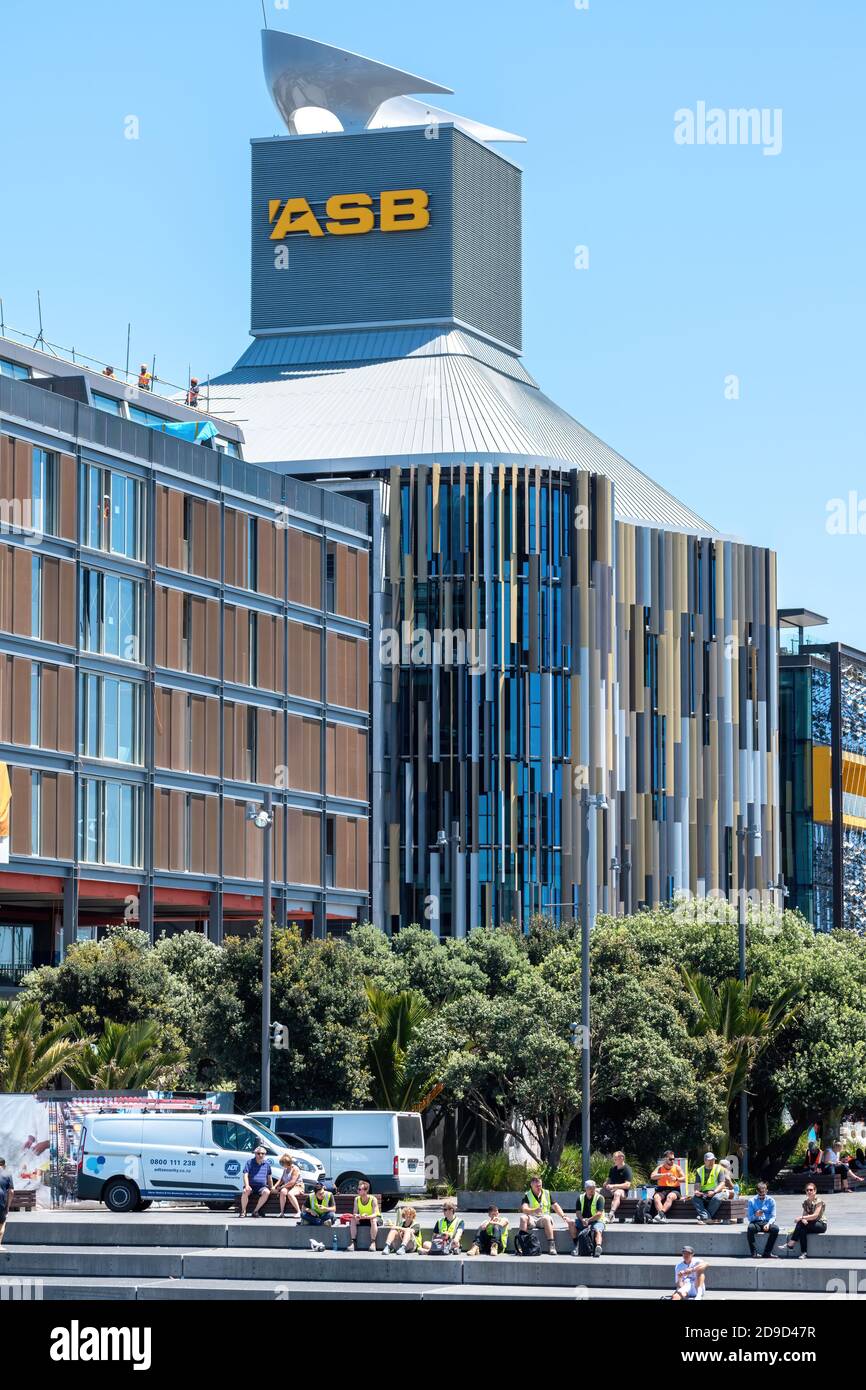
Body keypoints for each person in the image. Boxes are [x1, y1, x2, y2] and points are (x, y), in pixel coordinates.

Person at [519, 1174, 567, 1256]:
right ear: (531, 1185)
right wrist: (534, 1210)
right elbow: (524, 1209)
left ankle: (551, 1246)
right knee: (523, 1218)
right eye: (536, 1186)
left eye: (540, 1185)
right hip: (532, 1218)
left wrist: (563, 1216)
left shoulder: (547, 1193)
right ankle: (521, 1246)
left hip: (544, 1219)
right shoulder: (527, 1195)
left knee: (547, 1218)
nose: (539, 1187)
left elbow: (555, 1206)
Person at [786, 1183, 827, 1259]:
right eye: (807, 1190)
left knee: (800, 1223)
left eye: (811, 1190)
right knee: (802, 1229)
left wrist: (802, 1218)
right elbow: (805, 1215)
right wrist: (803, 1219)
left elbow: (815, 1215)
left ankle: (792, 1242)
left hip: (820, 1224)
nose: (809, 1191)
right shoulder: (805, 1202)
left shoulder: (819, 1201)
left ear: (815, 1191)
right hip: (811, 1224)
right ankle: (804, 1253)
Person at [568, 1178, 606, 1257]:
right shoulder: (580, 1198)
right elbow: (578, 1212)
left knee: (597, 1230)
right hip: (584, 1220)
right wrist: (582, 1220)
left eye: (594, 1188)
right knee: (571, 1222)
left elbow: (599, 1214)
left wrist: (588, 1220)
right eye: (590, 1188)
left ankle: (598, 1247)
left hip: (597, 1220)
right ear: (585, 1189)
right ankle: (576, 1245)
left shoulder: (599, 1198)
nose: (592, 1190)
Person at [691, 1152, 728, 1223]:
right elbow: (697, 1184)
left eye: (713, 1160)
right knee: (695, 1198)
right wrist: (697, 1191)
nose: (712, 1162)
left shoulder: (719, 1168)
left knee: (716, 1198)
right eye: (710, 1160)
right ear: (705, 1161)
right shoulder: (700, 1170)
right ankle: (707, 1218)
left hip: (718, 1191)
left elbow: (722, 1183)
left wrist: (714, 1192)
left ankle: (704, 1218)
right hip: (705, 1193)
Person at [650, 1149, 686, 1221]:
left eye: (673, 1159)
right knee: (656, 1197)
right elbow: (652, 1176)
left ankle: (661, 1214)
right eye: (670, 1159)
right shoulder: (660, 1167)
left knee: (670, 1196)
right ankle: (662, 1218)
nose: (672, 1161)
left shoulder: (677, 1167)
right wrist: (664, 1175)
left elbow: (684, 1178)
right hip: (662, 1189)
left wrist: (676, 1179)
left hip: (675, 1189)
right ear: (665, 1159)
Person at [746, 1182, 779, 1258]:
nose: (762, 1197)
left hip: (766, 1222)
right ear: (757, 1192)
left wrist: (768, 1224)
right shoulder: (751, 1201)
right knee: (750, 1228)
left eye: (763, 1195)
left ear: (766, 1191)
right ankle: (754, 1252)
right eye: (760, 1195)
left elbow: (773, 1216)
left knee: (775, 1229)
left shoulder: (771, 1201)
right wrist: (755, 1215)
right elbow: (749, 1218)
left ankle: (767, 1252)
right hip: (756, 1222)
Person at [239, 1144, 274, 1217]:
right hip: (251, 1185)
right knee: (246, 1191)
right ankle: (243, 1211)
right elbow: (245, 1174)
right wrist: (247, 1185)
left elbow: (269, 1177)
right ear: (255, 1154)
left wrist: (271, 1187)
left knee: (267, 1192)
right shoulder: (249, 1162)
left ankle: (255, 1211)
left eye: (263, 1153)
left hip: (261, 1187)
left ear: (265, 1155)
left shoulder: (267, 1164)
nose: (260, 1155)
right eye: (258, 1153)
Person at [348, 1180, 380, 1252]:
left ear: (366, 1191)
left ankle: (373, 1242)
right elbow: (355, 1212)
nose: (358, 1191)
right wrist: (357, 1216)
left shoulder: (373, 1199)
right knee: (353, 1219)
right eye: (358, 1189)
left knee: (373, 1219)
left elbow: (375, 1214)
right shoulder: (357, 1199)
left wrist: (367, 1216)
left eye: (359, 1189)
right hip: (363, 1218)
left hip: (374, 1218)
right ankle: (353, 1242)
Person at [603, 1151, 632, 1222]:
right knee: (594, 1191)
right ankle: (593, 1213)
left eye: (615, 1159)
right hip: (610, 1190)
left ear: (621, 1158)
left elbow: (627, 1185)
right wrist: (606, 1184)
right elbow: (608, 1180)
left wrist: (613, 1186)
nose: (614, 1160)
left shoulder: (627, 1169)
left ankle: (611, 1215)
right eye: (614, 1158)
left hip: (622, 1192)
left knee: (617, 1193)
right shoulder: (612, 1169)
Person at [274, 1152, 304, 1219]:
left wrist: (281, 1187)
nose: (282, 1165)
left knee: (290, 1194)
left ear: (287, 1163)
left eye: (283, 1163)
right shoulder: (285, 1169)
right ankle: (282, 1212)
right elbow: (281, 1180)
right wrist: (275, 1186)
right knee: (283, 1192)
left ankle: (299, 1212)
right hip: (288, 1186)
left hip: (298, 1186)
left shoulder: (295, 1169)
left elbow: (292, 1182)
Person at [0, 1157, 13, 1253]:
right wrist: (8, 1205)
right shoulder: (7, 1174)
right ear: (4, 1165)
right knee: (2, 1223)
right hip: (1, 1201)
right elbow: (11, 1191)